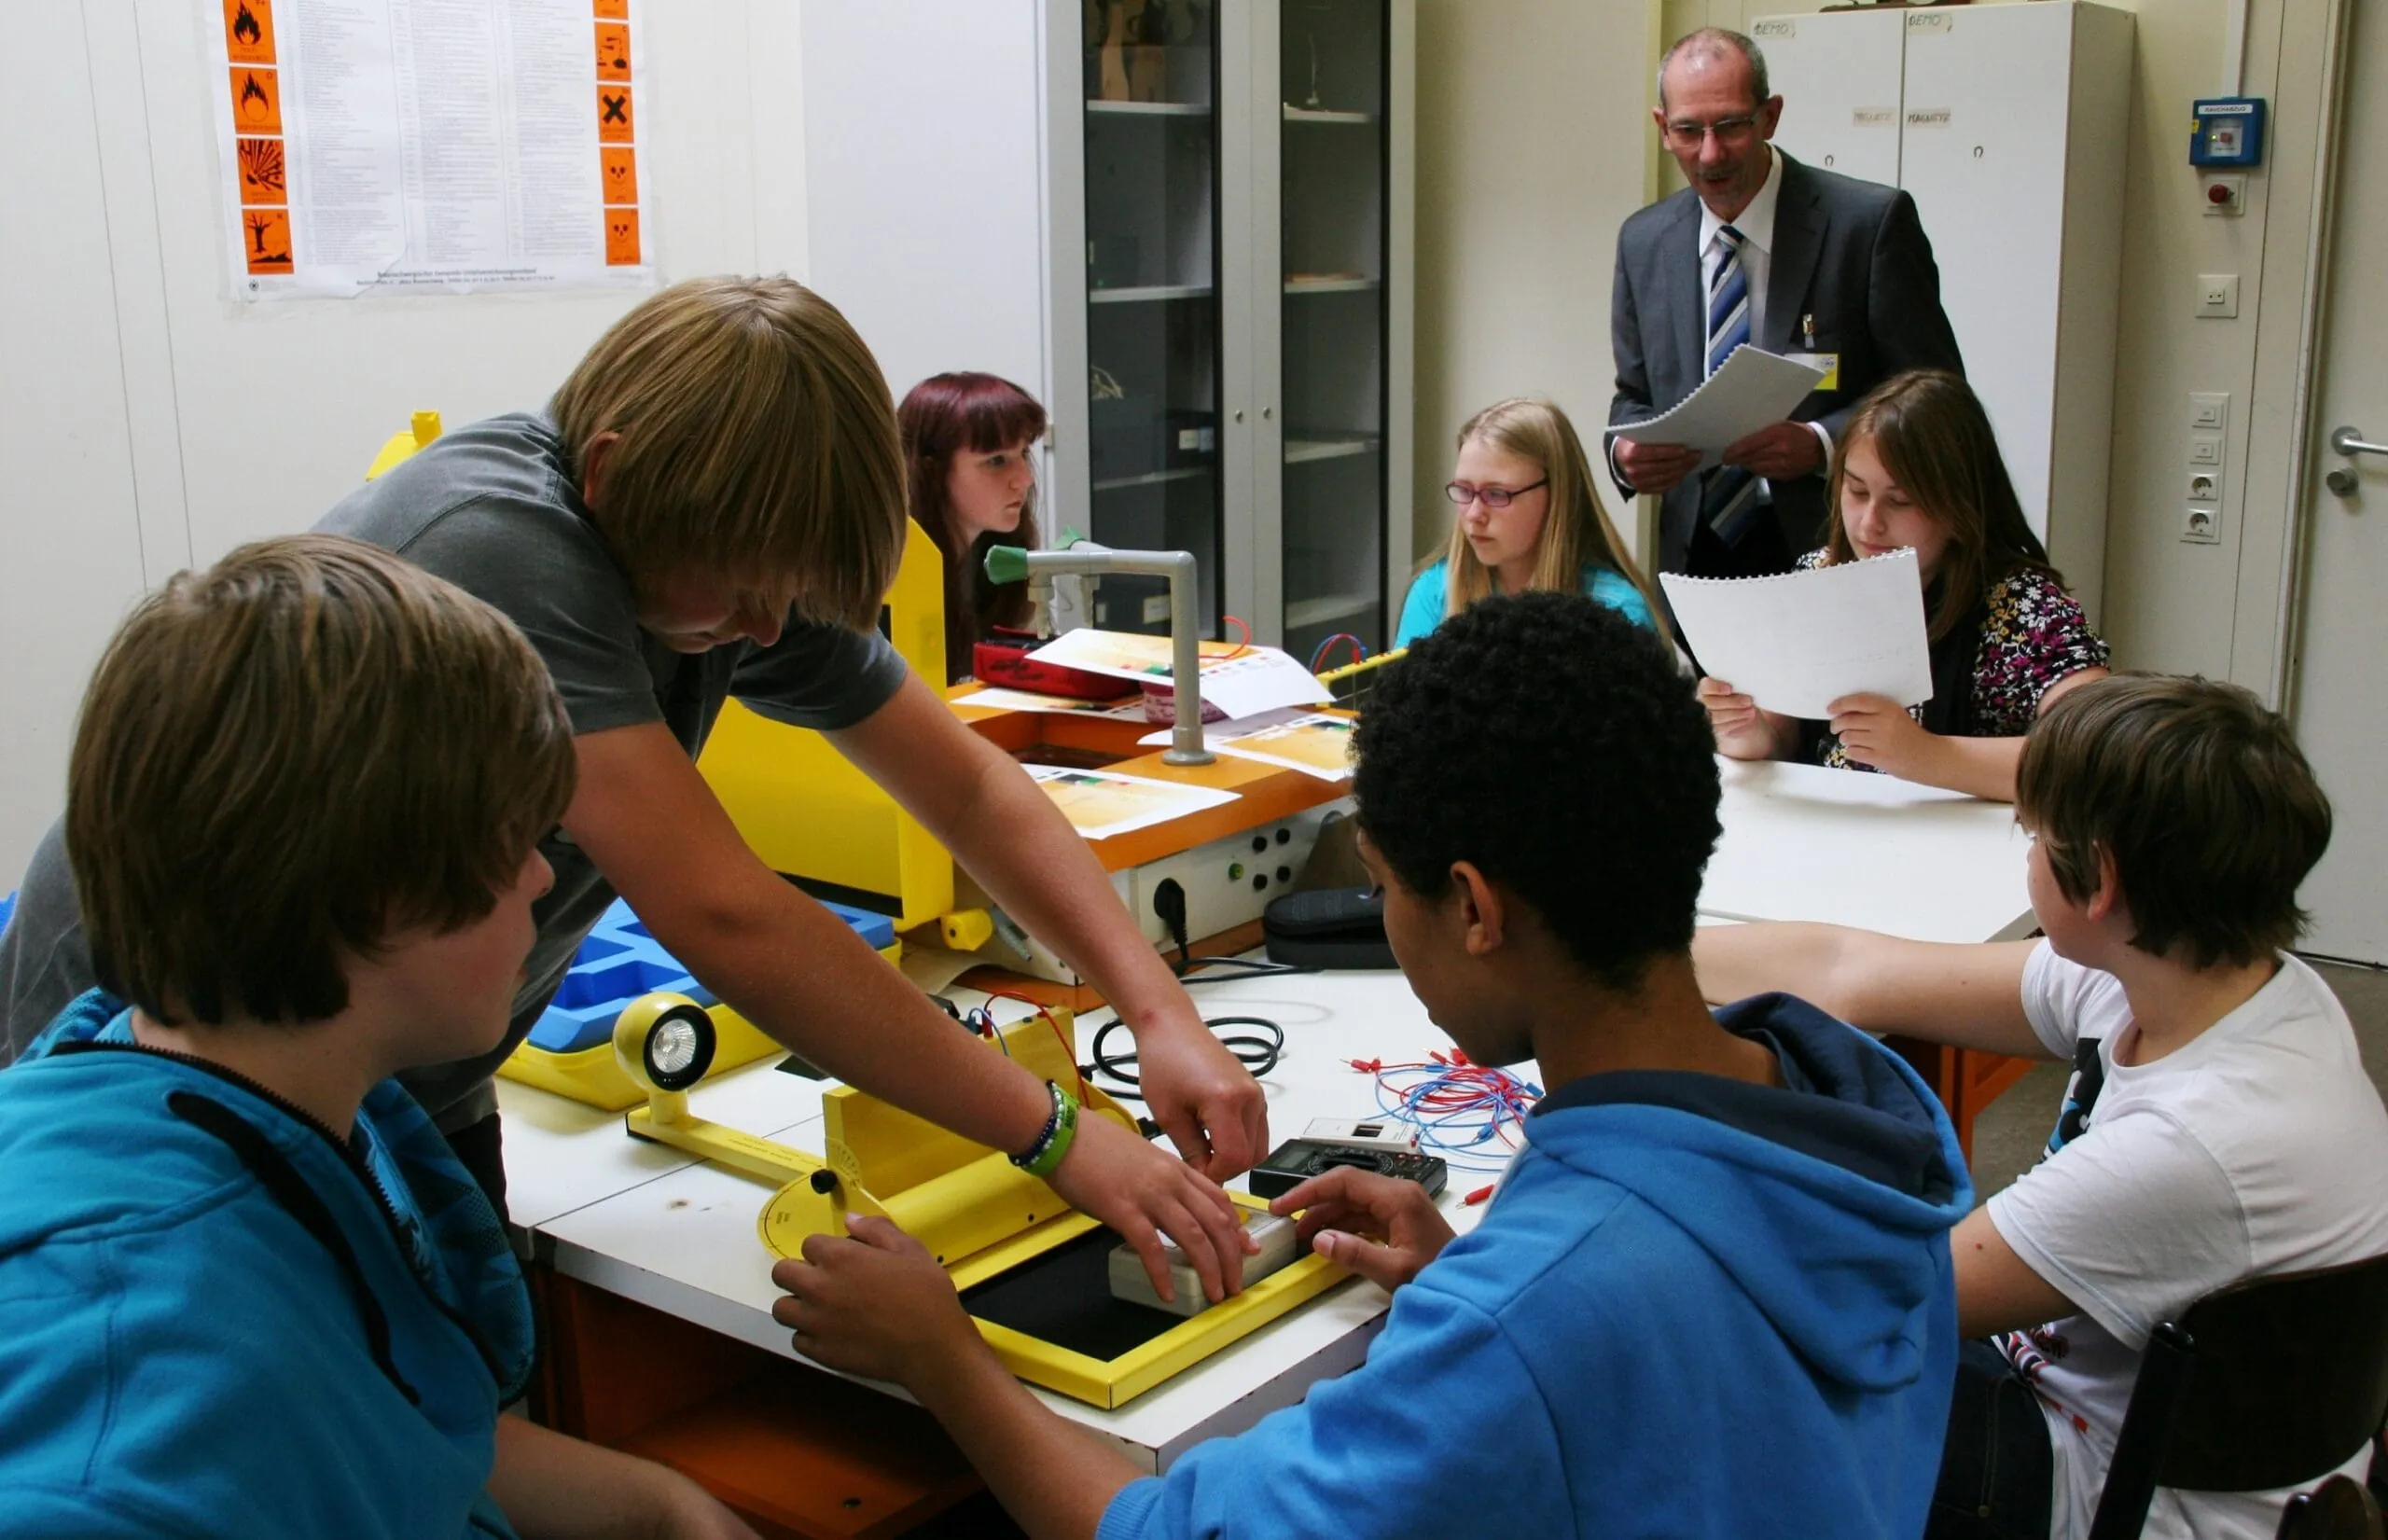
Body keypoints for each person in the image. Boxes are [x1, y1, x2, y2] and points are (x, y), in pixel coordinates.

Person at [0, 277, 1262, 1306]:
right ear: (612, 473)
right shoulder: (499, 543)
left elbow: (970, 790)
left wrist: (1156, 1008)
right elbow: (728, 917)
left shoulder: (716, 556)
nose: (767, 630)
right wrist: (1052, 1129)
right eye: (745, 595)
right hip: (170, 1039)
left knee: (445, 1375)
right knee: (243, 1377)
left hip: (402, 1054)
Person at [768, 591, 1973, 1539]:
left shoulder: (1532, 1324)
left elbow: (1156, 1530)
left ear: (1475, 907)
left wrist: (943, 1356)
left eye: (1387, 886)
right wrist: (1469, 1281)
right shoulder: (1863, 1120)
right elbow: (1691, 1399)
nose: (1385, 919)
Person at [0, 536, 757, 1537]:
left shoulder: (231, 1090)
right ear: (373, 894)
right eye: (512, 843)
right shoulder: (147, 1387)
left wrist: (667, 1508)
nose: (543, 877)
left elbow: (378, 1425)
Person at [1692, 673, 2388, 1540]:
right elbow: (1849, 968)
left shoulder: (2195, 1142)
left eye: (2033, 834)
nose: (2027, 854)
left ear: (2097, 880)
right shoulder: (2205, 975)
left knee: (1731, 1373)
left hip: (2114, 1491)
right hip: (2093, 1401)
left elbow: (1884, 1297)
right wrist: (1627, 962)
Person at [1608, 27, 1965, 582]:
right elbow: (1634, 395)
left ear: (1769, 117)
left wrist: (1823, 445)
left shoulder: (1866, 226)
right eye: (1688, 131)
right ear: (1662, 127)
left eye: (1729, 126)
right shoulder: (1643, 241)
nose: (1709, 153)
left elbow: (1936, 396)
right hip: (1698, 554)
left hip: (1836, 544)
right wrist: (1626, 455)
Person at [1696, 370, 2108, 801]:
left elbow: (2096, 754)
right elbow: (1781, 734)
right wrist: (1745, 729)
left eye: (1900, 501)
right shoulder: (1822, 578)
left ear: (1959, 505)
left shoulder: (2025, 609)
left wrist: (1927, 754)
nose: (1869, 523)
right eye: (1856, 491)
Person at [1393, 396, 1659, 649]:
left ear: (1556, 497)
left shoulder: (1618, 611)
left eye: (1497, 494)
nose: (1474, 514)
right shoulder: (1433, 591)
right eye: (1464, 490)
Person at [899, 371, 1048, 684]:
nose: (1025, 478)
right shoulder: (895, 576)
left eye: (1023, 453)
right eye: (996, 460)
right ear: (932, 471)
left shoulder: (995, 563)